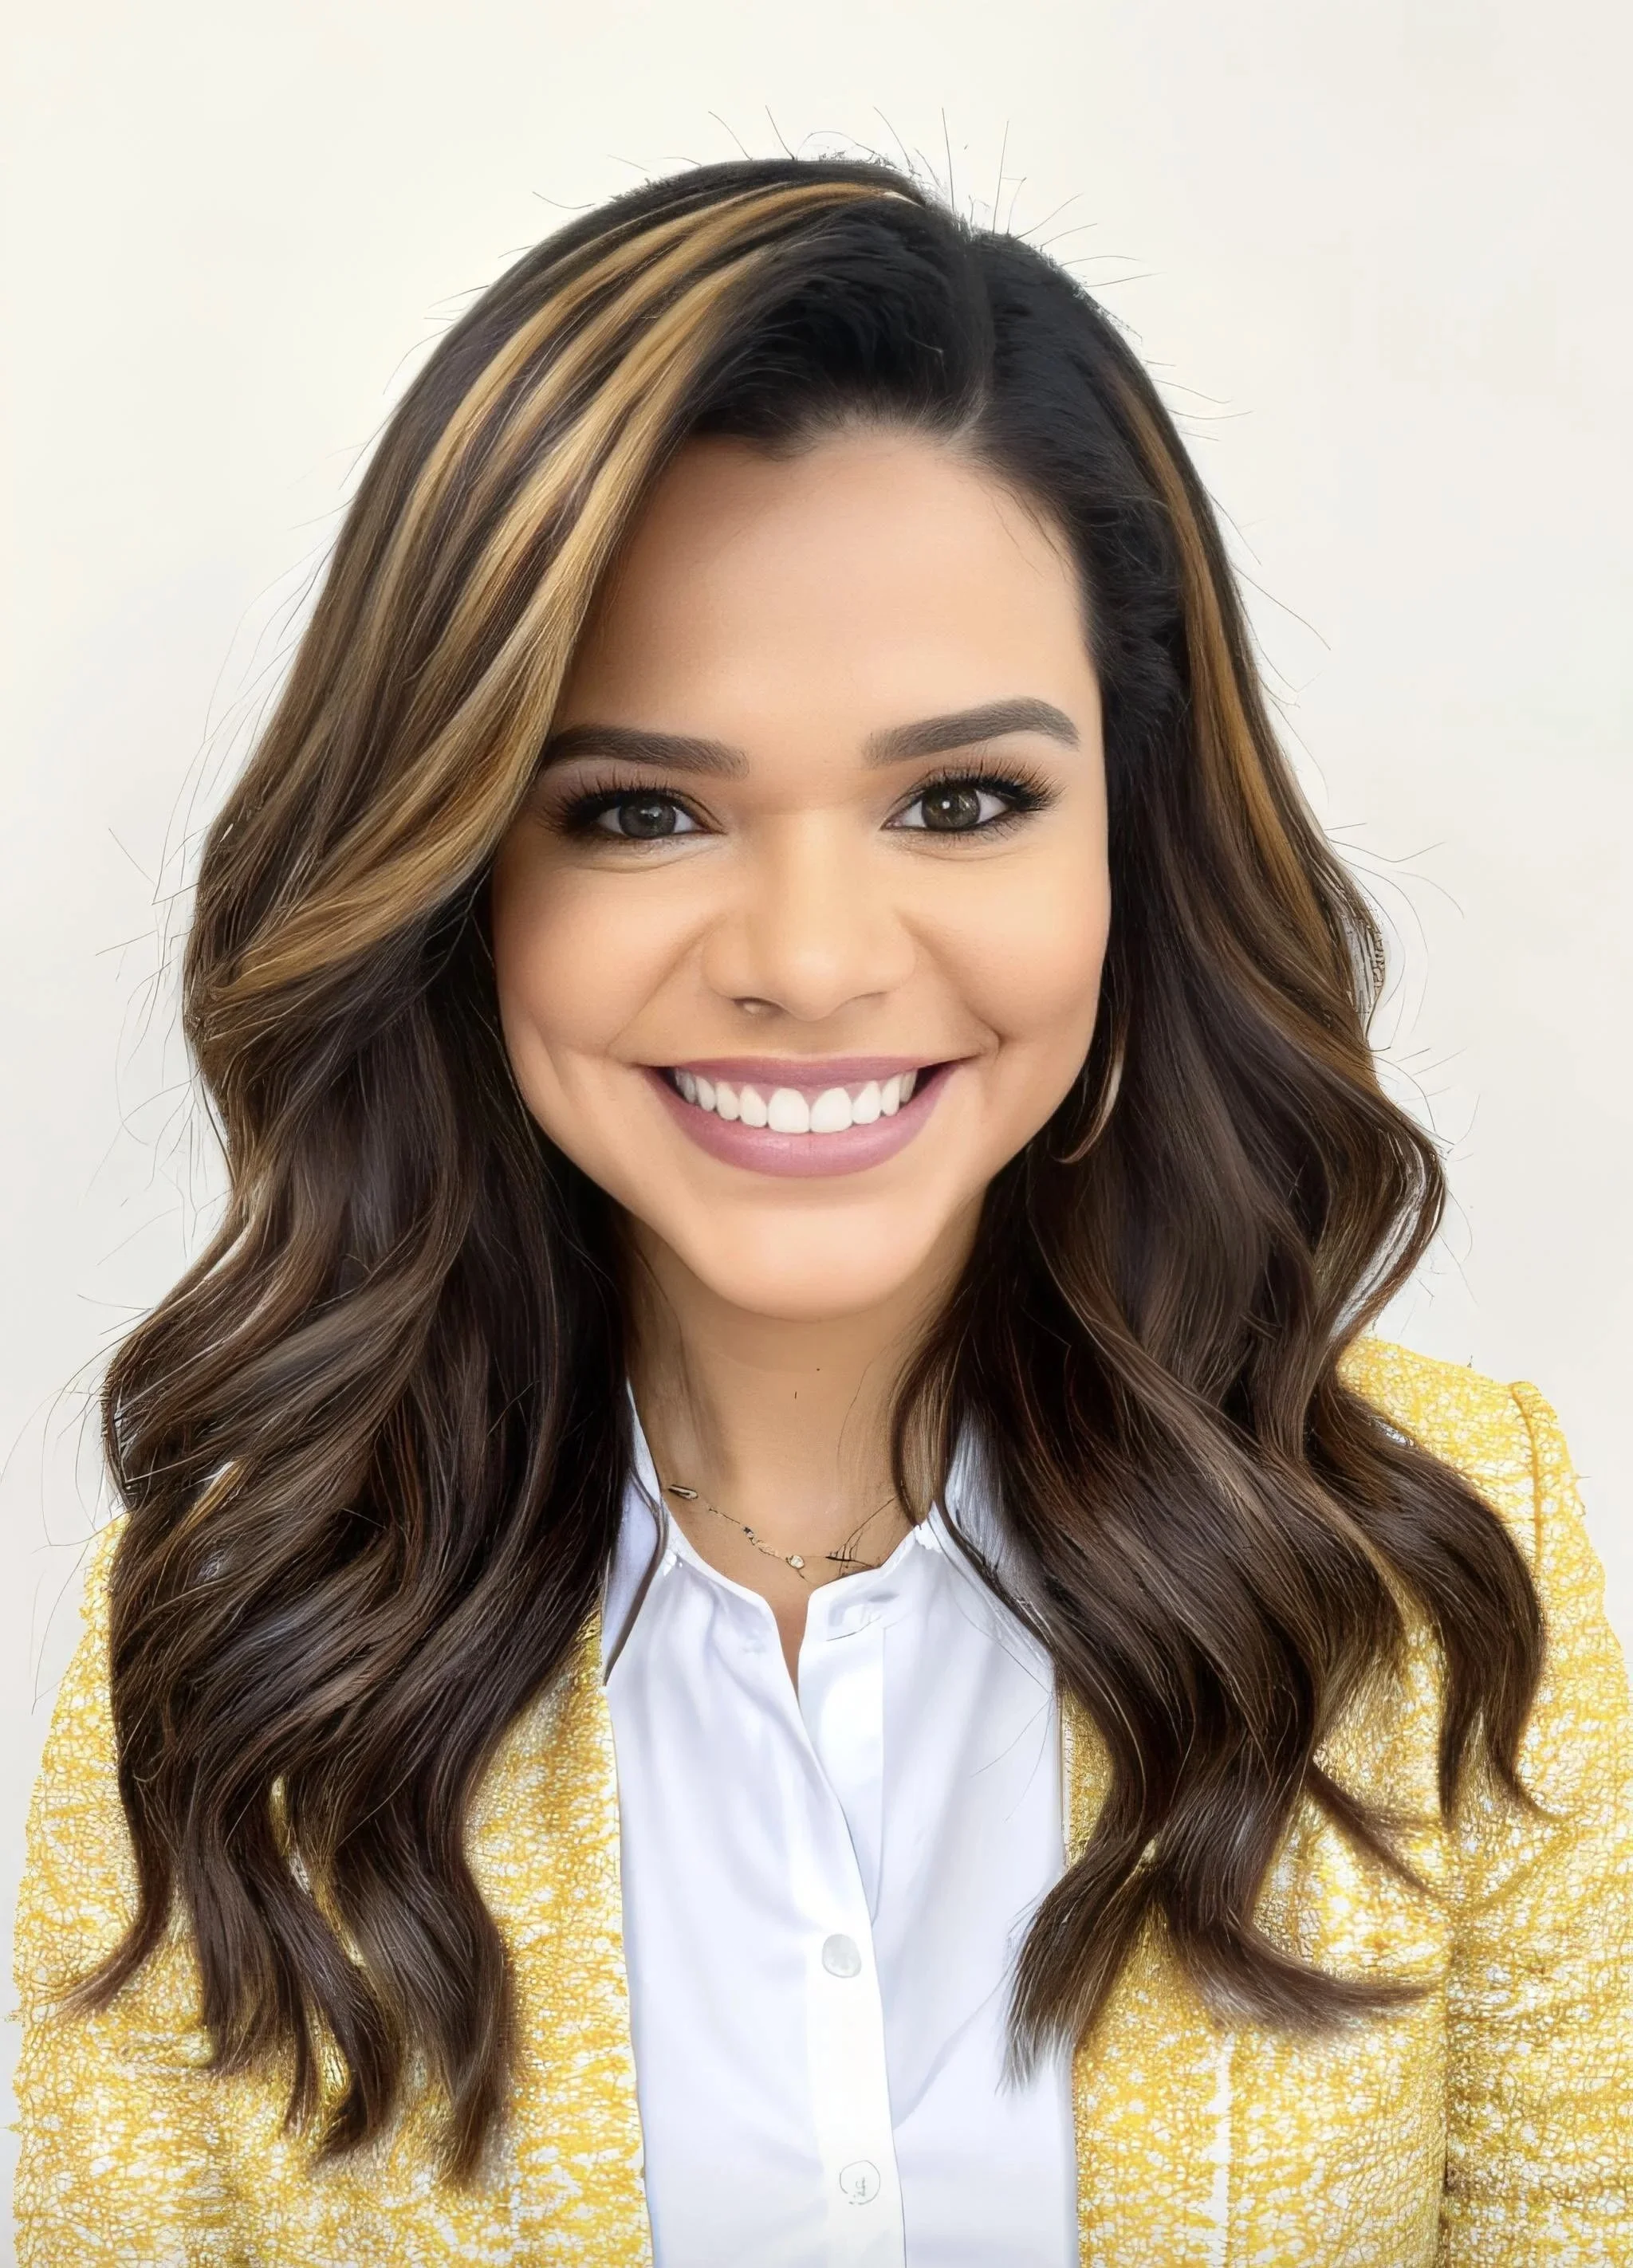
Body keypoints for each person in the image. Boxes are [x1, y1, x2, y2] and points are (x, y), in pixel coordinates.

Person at [13, 157, 1631, 2268]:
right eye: (639, 808)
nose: (808, 954)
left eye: (962, 798)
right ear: (461, 873)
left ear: (1129, 846)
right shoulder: (228, 1641)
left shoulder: (1437, 1561)